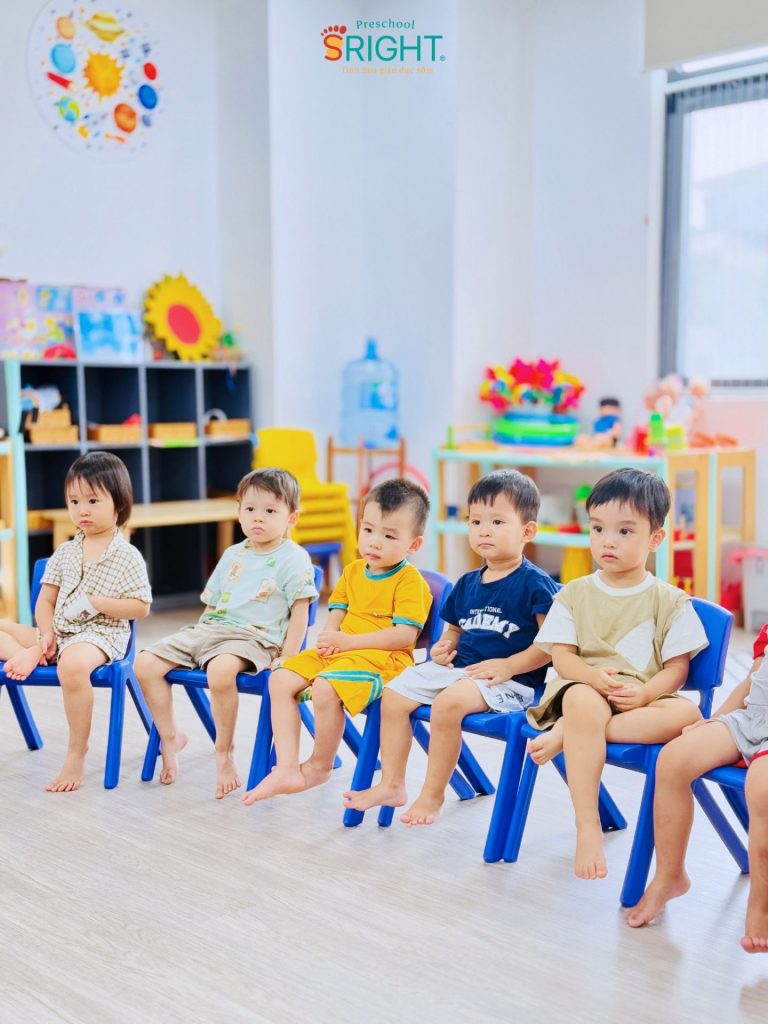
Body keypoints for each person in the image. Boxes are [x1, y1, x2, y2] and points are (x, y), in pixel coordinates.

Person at [343, 469, 559, 826]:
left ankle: (433, 794)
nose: (484, 530)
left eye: (497, 522)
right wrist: (444, 647)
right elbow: (455, 630)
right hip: (460, 672)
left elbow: (551, 646)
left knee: (448, 704)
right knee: (392, 696)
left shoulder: (535, 585)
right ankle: (392, 784)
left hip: (512, 682)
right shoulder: (467, 583)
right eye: (476, 521)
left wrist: (508, 666)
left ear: (527, 531)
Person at [526, 468, 708, 880]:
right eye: (598, 529)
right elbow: (562, 659)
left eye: (625, 531)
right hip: (583, 690)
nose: (608, 541)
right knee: (580, 701)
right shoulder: (573, 593)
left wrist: (646, 695)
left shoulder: (670, 600)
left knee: (689, 715)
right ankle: (587, 824)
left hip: (638, 699)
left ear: (655, 539)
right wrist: (592, 679)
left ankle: (571, 733)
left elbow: (677, 669)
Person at [242, 478, 432, 804]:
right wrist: (331, 636)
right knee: (280, 679)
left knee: (325, 687)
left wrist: (347, 643)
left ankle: (320, 765)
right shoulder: (353, 571)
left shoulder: (409, 581)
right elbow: (337, 611)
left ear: (413, 544)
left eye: (389, 536)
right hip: (341, 652)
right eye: (368, 530)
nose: (374, 542)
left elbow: (404, 636)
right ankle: (287, 767)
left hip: (382, 659)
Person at [135, 468, 317, 798]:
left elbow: (301, 611)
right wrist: (196, 641)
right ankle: (170, 736)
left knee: (220, 670)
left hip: (256, 638)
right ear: (239, 511)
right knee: (145, 663)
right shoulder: (233, 554)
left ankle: (224, 754)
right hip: (213, 630)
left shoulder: (294, 557)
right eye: (250, 509)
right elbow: (212, 605)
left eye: (270, 510)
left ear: (292, 518)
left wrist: (290, 655)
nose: (258, 517)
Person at [0, 452, 152, 792]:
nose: (82, 510)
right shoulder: (66, 552)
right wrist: (46, 632)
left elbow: (140, 608)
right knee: (4, 627)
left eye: (93, 501)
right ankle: (32, 653)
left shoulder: (126, 556)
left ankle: (76, 753)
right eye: (74, 501)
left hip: (100, 636)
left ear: (119, 504)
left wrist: (97, 602)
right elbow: (45, 601)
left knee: (71, 664)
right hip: (58, 633)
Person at [627, 625, 768, 952]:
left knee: (761, 788)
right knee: (673, 759)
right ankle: (670, 875)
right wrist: (715, 719)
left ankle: (761, 902)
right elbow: (752, 681)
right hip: (751, 719)